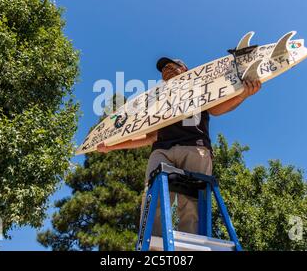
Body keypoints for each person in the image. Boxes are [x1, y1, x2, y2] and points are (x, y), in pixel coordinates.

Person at [97, 56, 261, 236]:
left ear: (184, 68)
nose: (166, 69)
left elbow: (216, 109)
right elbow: (150, 136)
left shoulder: (199, 87)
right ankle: (154, 249)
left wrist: (243, 94)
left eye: (171, 66)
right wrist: (111, 146)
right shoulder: (157, 101)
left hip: (194, 148)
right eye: (163, 69)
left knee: (191, 202)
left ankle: (190, 250)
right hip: (162, 151)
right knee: (153, 196)